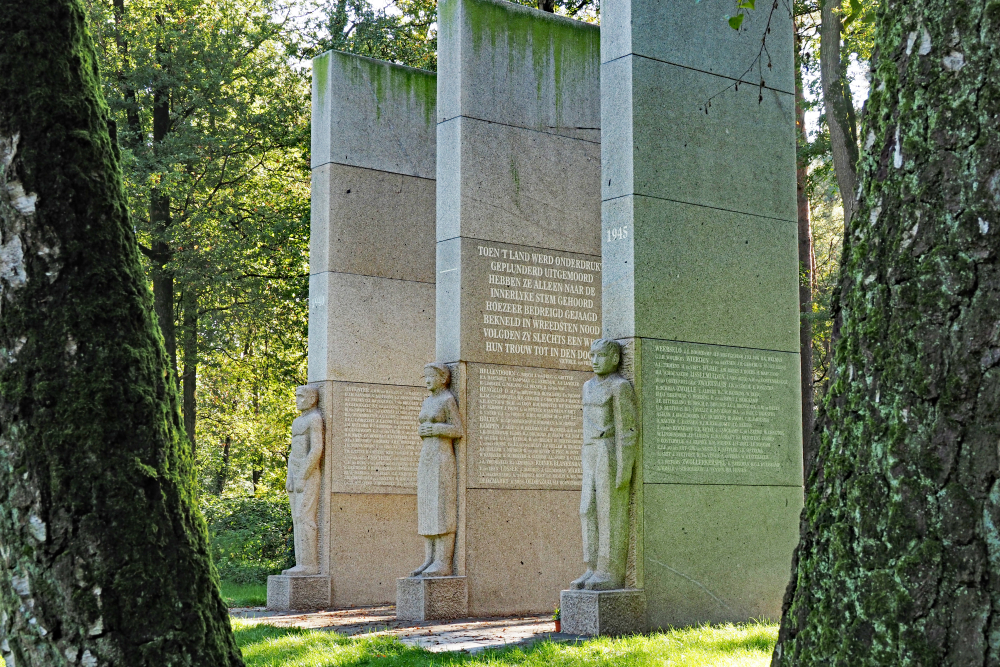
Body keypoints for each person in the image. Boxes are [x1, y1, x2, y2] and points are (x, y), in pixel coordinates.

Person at [571, 339, 638, 590]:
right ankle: (591, 567)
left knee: (609, 511)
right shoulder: (588, 386)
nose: (594, 360)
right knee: (587, 509)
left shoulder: (620, 387)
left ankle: (609, 571)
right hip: (589, 451)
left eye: (600, 355)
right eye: (591, 355)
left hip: (608, 451)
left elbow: (628, 429)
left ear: (615, 359)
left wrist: (625, 467)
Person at [411, 362, 464, 577]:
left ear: (443, 378)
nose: (427, 380)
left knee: (441, 507)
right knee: (427, 507)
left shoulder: (447, 399)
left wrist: (435, 428)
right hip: (427, 456)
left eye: (431, 376)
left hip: (442, 456)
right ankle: (429, 559)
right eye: (425, 376)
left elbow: (458, 429)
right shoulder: (427, 401)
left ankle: (443, 561)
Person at [283, 385, 324, 575]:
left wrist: (302, 475)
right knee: (296, 518)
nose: (297, 400)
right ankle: (301, 563)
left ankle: (309, 564)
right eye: (297, 396)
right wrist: (290, 476)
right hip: (296, 473)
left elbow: (316, 449)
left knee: (304, 516)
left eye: (301, 396)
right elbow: (294, 453)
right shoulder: (298, 420)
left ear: (311, 398)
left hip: (308, 474)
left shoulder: (315, 419)